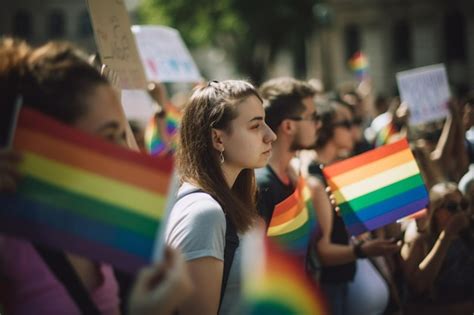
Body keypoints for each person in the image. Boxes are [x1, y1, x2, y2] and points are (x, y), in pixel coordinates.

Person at [0, 38, 192, 315]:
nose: (123, 152)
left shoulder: (100, 225)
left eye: (121, 134)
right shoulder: (10, 241)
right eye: (108, 135)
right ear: (51, 141)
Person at [165, 80, 276, 315]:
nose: (271, 135)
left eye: (265, 122)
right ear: (218, 139)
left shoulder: (226, 202)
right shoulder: (205, 213)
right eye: (255, 126)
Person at [306, 100, 400, 315]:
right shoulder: (312, 177)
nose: (355, 130)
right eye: (347, 124)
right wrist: (364, 250)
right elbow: (322, 250)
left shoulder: (343, 170)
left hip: (348, 279)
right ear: (326, 129)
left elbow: (383, 229)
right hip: (330, 285)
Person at [255, 77, 321, 269]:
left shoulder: (293, 175)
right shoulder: (262, 185)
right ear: (289, 126)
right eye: (313, 117)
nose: (318, 125)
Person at [401, 182, 474, 314]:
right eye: (452, 207)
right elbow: (418, 286)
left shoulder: (466, 234)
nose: (459, 211)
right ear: (434, 211)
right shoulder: (420, 240)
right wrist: (446, 236)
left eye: (463, 205)